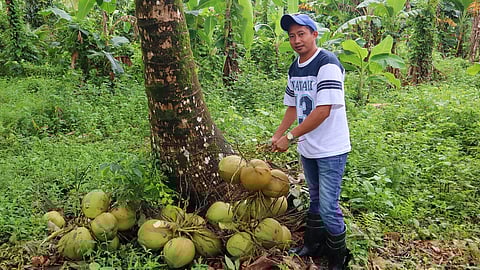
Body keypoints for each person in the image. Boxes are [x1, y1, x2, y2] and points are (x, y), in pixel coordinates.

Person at [270, 13, 352, 270]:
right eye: (292, 36)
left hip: (331, 148)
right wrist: (278, 133)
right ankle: (312, 245)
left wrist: (291, 136)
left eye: (301, 34)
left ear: (315, 34)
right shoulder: (295, 67)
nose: (296, 40)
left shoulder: (327, 63)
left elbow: (323, 110)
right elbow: (293, 107)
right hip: (308, 147)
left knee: (328, 207)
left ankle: (339, 258)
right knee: (315, 199)